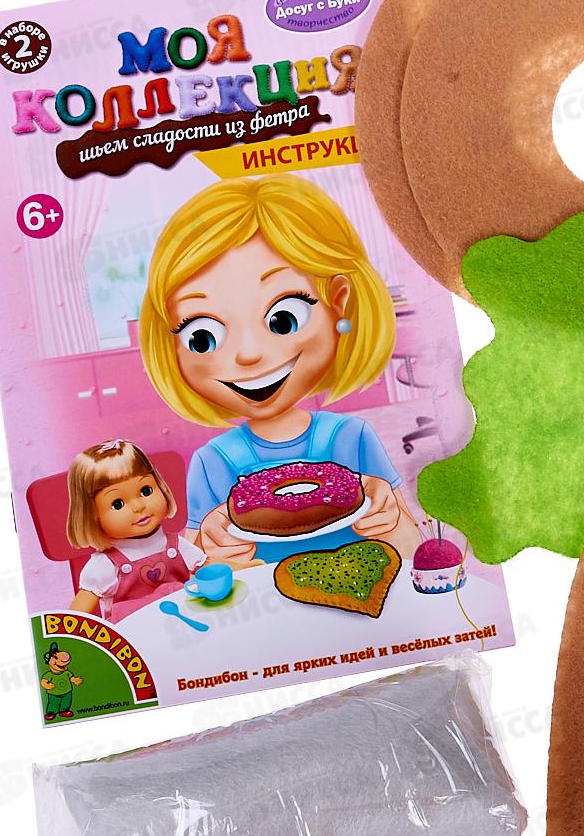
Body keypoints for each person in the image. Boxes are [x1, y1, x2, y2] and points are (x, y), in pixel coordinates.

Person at [139, 175, 420, 566]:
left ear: (338, 303)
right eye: (203, 337)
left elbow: (415, 550)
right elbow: (198, 576)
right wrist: (212, 554)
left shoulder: (351, 438)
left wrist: (390, 521)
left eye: (283, 319)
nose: (249, 354)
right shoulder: (213, 462)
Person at [64, 439, 206, 620]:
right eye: (118, 504)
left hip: (185, 625)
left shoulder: (175, 545)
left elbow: (208, 569)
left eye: (146, 491)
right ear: (91, 516)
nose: (139, 506)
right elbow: (75, 616)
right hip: (133, 635)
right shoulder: (107, 564)